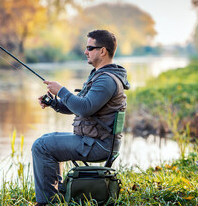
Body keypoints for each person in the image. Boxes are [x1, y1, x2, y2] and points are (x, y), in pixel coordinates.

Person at [31, 29, 130, 205]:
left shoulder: (106, 80)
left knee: (42, 146)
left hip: (99, 145)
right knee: (45, 140)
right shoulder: (100, 75)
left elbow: (84, 109)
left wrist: (61, 90)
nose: (85, 52)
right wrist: (54, 103)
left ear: (102, 51)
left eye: (90, 48)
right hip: (94, 141)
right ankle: (58, 195)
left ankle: (47, 202)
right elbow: (81, 106)